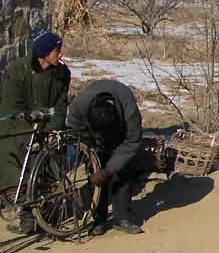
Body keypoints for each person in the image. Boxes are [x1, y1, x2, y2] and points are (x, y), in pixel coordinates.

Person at [1, 30, 71, 234]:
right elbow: (12, 109)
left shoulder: (62, 74)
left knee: (51, 156)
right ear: (44, 53)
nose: (61, 54)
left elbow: (60, 107)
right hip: (18, 126)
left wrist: (51, 130)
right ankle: (25, 212)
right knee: (13, 156)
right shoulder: (18, 70)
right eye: (57, 51)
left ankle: (47, 210)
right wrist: (30, 132)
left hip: (46, 127)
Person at [66, 79, 146, 235]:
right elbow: (75, 131)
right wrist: (90, 156)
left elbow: (133, 140)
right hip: (92, 138)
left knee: (123, 173)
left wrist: (110, 170)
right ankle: (99, 219)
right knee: (96, 176)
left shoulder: (128, 107)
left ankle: (123, 217)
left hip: (120, 136)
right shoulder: (79, 106)